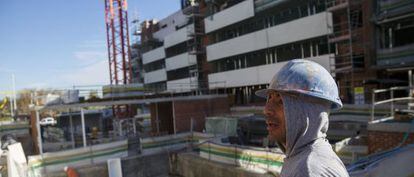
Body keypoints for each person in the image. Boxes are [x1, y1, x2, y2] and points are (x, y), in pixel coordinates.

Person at [256, 59, 349, 177]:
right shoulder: (300, 158)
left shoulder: (308, 170)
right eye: (269, 99)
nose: (267, 110)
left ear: (309, 112)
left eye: (281, 101)